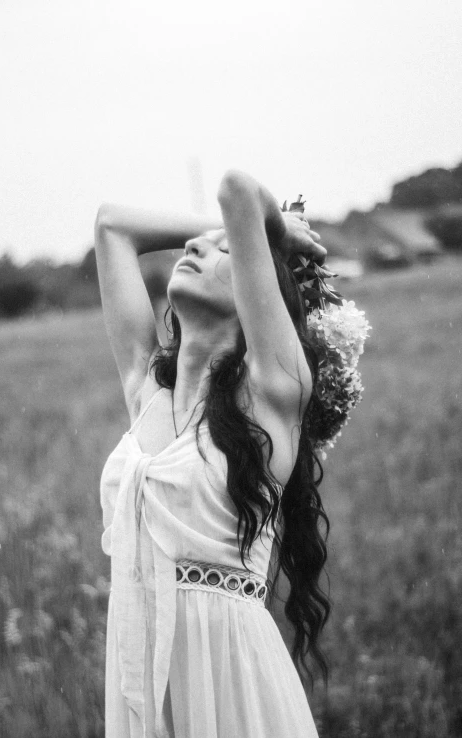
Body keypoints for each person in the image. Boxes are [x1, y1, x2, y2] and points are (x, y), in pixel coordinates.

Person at [95, 170, 332, 738]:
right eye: (201, 241)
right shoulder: (145, 391)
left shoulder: (271, 395)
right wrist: (225, 229)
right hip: (144, 675)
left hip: (233, 683)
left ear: (258, 293)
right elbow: (111, 225)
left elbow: (237, 191)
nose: (198, 244)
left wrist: (274, 227)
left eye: (226, 247)